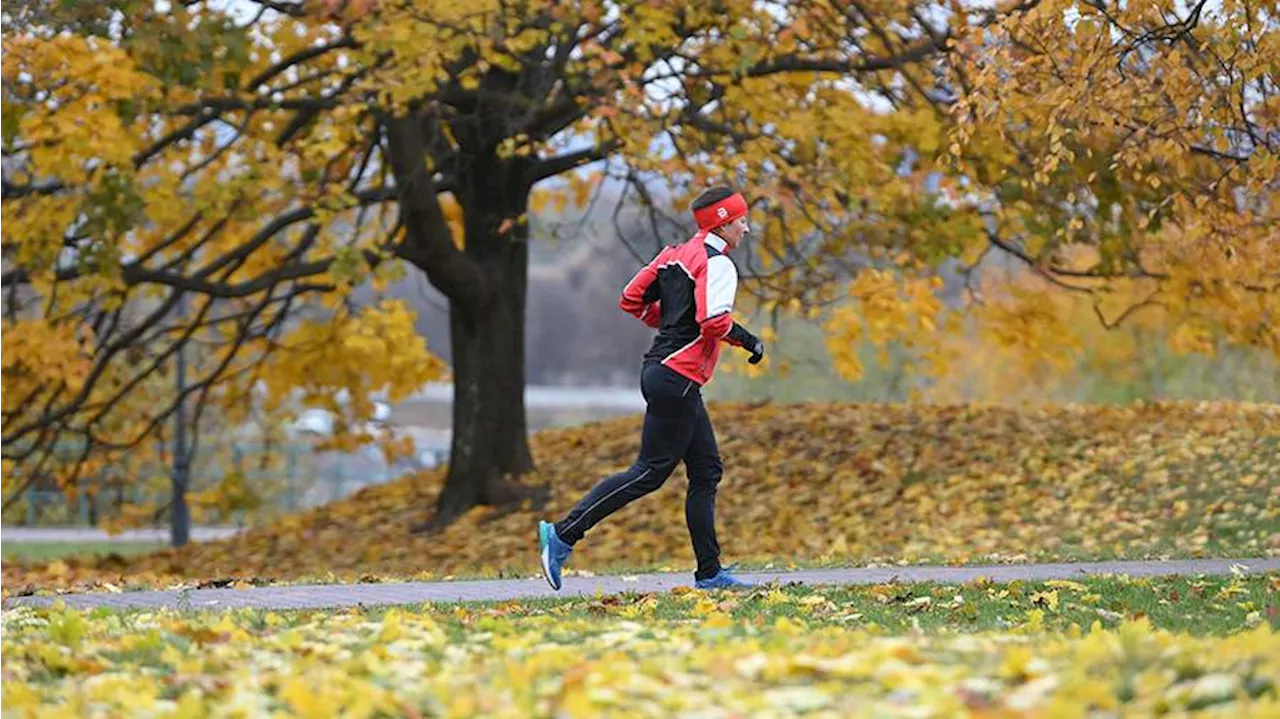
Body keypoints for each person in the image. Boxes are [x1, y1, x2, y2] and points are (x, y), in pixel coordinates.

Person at [537, 185, 766, 591]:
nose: (746, 229)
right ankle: (563, 534)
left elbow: (631, 298)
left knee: (706, 469)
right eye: (741, 221)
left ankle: (710, 573)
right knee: (650, 472)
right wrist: (749, 341)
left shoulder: (673, 255)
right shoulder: (718, 264)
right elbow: (714, 321)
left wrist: (670, 322)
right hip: (676, 375)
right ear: (723, 222)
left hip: (667, 374)